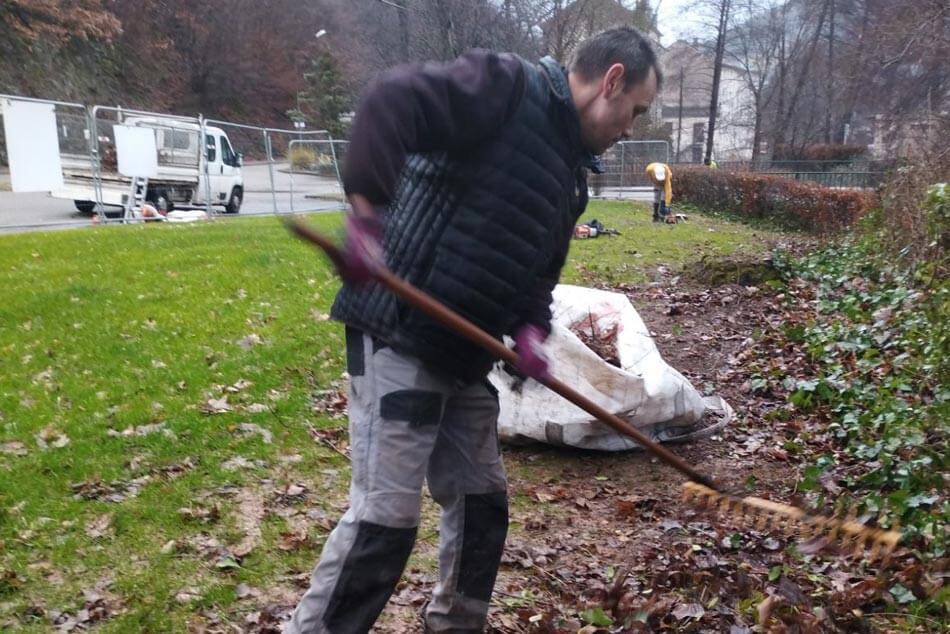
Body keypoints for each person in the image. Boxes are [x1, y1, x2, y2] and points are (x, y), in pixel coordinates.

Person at [286, 27, 661, 634]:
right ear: (611, 81)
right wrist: (368, 217)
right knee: (385, 522)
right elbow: (391, 101)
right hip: (398, 333)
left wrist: (532, 332)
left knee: (482, 507)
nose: (631, 127)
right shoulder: (506, 88)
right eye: (634, 110)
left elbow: (540, 273)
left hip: (463, 358)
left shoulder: (571, 176)